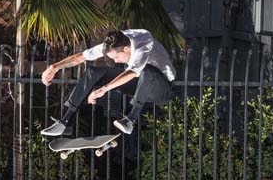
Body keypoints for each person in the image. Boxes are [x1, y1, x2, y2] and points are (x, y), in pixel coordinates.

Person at [41, 29, 175, 136]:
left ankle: (130, 120)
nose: (115, 61)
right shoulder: (114, 42)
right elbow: (82, 57)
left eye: (116, 57)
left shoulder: (144, 40)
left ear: (127, 49)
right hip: (137, 83)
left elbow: (133, 72)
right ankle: (65, 122)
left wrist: (103, 89)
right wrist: (55, 67)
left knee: (146, 70)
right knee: (93, 72)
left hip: (160, 88)